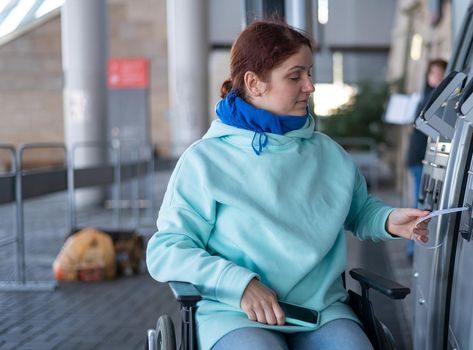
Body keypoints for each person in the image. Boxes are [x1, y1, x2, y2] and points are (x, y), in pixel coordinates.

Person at [146, 20, 430, 350]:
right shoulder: (205, 161)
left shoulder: (328, 154)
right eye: (295, 76)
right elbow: (166, 249)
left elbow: (359, 211)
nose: (309, 86)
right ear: (254, 83)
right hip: (235, 310)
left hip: (320, 311)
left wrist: (388, 220)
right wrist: (239, 284)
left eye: (309, 73)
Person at [405, 59, 447, 259]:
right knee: (419, 203)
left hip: (420, 157)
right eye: (434, 73)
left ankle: (413, 249)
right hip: (420, 157)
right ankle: (413, 249)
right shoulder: (432, 97)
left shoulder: (426, 96)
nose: (436, 77)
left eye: (440, 73)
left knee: (420, 202)